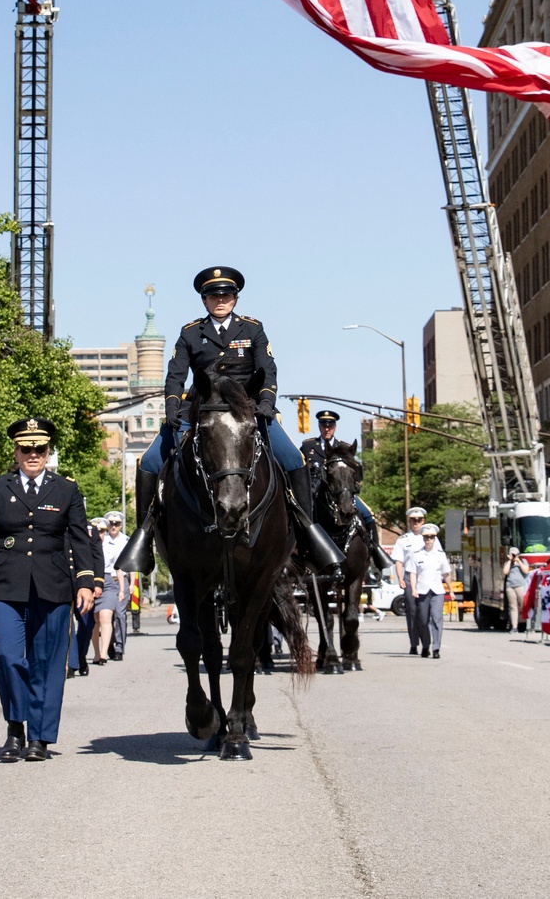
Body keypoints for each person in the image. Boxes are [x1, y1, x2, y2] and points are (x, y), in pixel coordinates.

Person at [119, 266, 342, 573]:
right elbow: (175, 376)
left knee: (294, 459)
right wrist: (172, 408)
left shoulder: (252, 329)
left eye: (225, 295)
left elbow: (268, 369)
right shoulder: (190, 333)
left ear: (235, 299)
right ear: (204, 300)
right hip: (200, 410)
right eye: (213, 296)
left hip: (246, 411)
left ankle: (308, 533)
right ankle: (142, 538)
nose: (220, 300)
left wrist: (266, 402)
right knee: (149, 461)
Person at [0, 417, 95, 763]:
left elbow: (81, 540)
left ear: (48, 451)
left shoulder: (66, 489)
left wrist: (84, 582)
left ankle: (39, 737)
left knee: (48, 663)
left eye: (39, 449)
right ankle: (15, 727)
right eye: (26, 449)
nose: (33, 454)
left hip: (52, 586)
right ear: (16, 451)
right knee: (7, 656)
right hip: (4, 585)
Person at [300, 410, 390, 570]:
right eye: (323, 425)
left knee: (368, 514)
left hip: (342, 493)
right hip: (315, 493)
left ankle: (376, 554)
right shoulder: (308, 446)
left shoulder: (345, 448)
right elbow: (301, 471)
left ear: (334, 427)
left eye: (330, 425)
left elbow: (356, 474)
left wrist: (355, 486)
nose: (327, 428)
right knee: (301, 518)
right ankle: (300, 555)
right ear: (319, 426)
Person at [67, 519, 104, 679]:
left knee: (87, 624)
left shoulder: (90, 528)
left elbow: (97, 555)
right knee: (66, 624)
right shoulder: (55, 523)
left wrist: (98, 582)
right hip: (65, 582)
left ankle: (81, 655)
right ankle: (71, 663)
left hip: (85, 583)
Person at [409, 523, 451, 658]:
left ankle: (436, 648)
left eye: (431, 537)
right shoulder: (416, 555)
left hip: (437, 590)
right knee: (422, 620)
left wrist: (451, 589)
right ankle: (426, 645)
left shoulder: (440, 555)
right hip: (422, 590)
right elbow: (413, 574)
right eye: (426, 537)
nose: (429, 540)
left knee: (437, 618)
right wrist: (414, 589)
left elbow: (446, 573)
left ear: (434, 539)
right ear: (423, 538)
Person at [391, 507, 427, 654]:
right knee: (412, 611)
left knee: (425, 612)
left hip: (426, 577)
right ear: (409, 521)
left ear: (423, 520)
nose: (416, 522)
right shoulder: (403, 540)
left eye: (419, 520)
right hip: (409, 576)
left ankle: (427, 642)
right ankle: (414, 643)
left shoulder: (431, 537)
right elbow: (398, 561)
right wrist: (400, 579)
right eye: (414, 520)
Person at [102, 512, 130, 660]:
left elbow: (131, 564)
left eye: (116, 523)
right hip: (105, 579)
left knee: (120, 614)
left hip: (121, 580)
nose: (113, 526)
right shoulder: (102, 539)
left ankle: (119, 647)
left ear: (121, 525)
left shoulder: (126, 541)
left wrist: (131, 585)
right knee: (107, 616)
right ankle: (109, 645)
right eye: (111, 523)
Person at [502, 547, 531, 632]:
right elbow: (505, 572)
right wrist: (510, 561)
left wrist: (518, 561)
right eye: (512, 554)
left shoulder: (523, 561)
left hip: (521, 586)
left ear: (518, 555)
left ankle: (527, 625)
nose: (514, 556)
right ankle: (514, 626)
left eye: (515, 555)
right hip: (510, 586)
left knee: (524, 605)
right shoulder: (508, 563)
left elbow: (526, 571)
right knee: (513, 607)